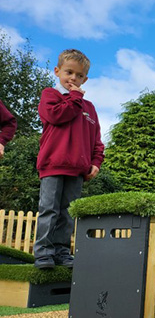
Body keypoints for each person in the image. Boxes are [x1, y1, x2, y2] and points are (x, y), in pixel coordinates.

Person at [34, 49, 104, 269]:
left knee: (67, 212)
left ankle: (62, 252)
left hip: (77, 170)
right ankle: (44, 253)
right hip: (53, 165)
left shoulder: (89, 108)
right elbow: (56, 116)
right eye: (69, 72)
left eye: (79, 75)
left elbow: (97, 141)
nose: (73, 78)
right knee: (49, 210)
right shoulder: (50, 96)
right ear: (57, 71)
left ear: (85, 79)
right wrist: (75, 97)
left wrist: (95, 162)